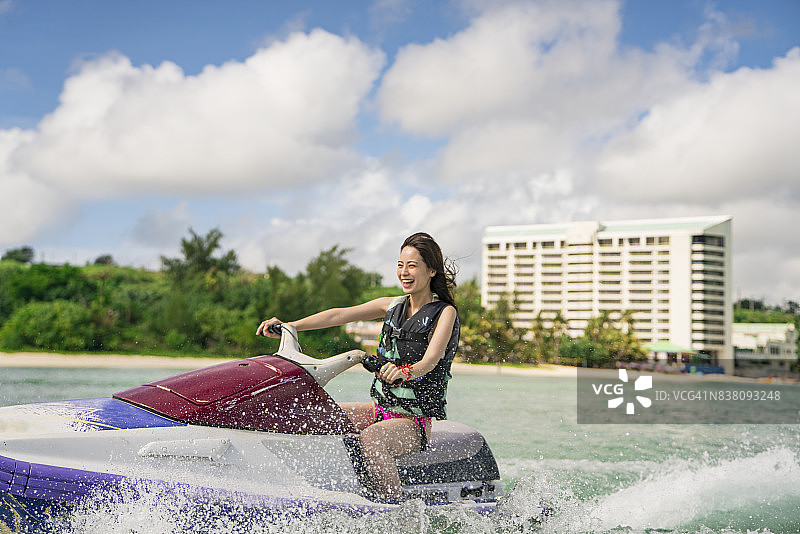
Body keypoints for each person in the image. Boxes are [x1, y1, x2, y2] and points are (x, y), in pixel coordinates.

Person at [256, 232, 460, 499]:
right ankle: (297, 487)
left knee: (372, 438)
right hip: (380, 410)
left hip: (414, 422)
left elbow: (432, 359)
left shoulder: (445, 312)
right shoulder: (391, 306)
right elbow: (339, 314)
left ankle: (397, 513)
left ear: (431, 270)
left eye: (412, 265)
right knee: (319, 414)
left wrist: (405, 371)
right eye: (400, 265)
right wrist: (291, 325)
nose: (404, 272)